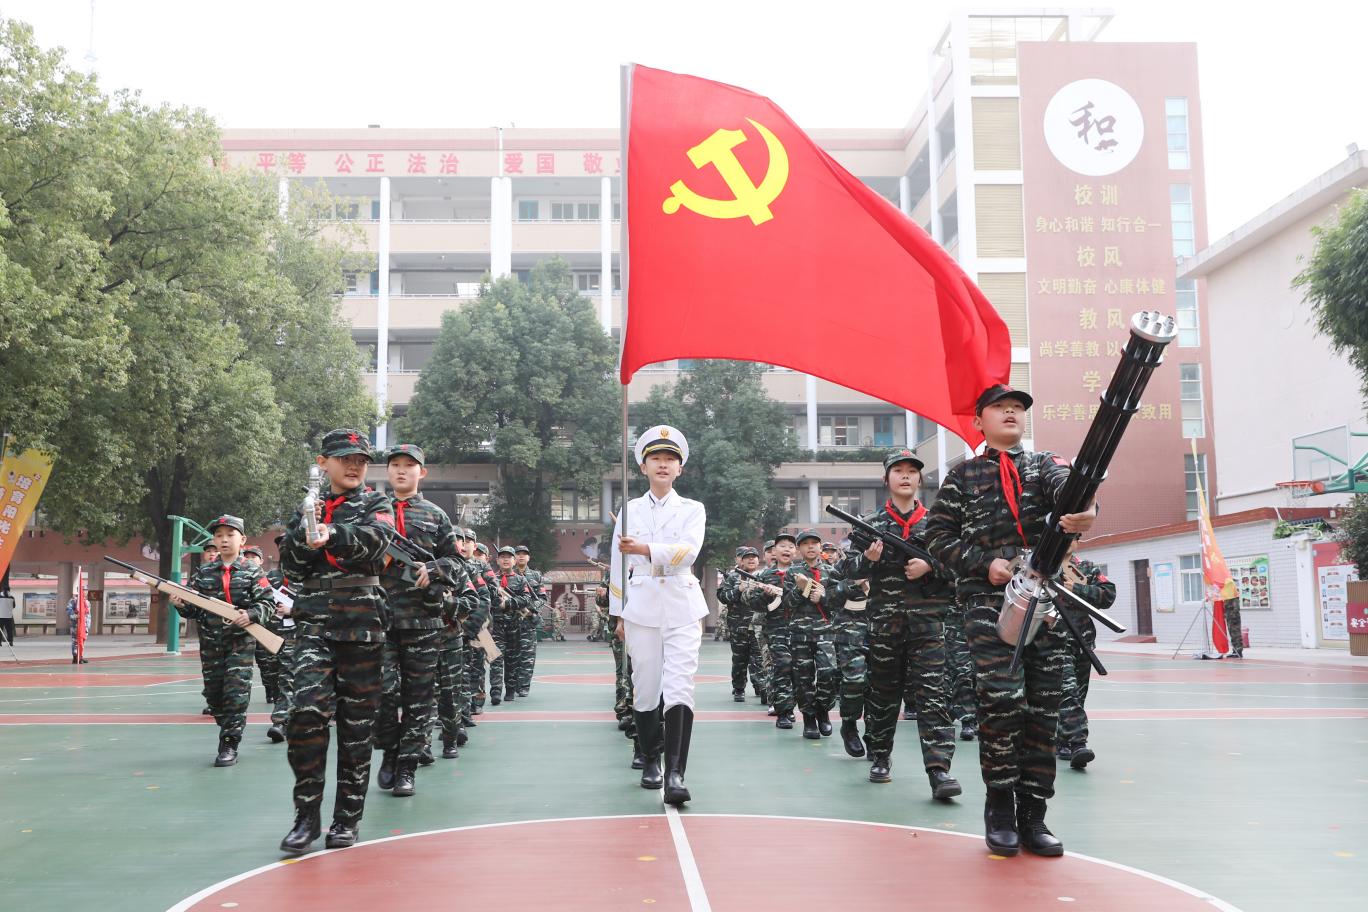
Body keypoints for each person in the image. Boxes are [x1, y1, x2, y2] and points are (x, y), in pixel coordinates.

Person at [924, 385, 1098, 857]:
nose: (1011, 413)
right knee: (1002, 701)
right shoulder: (962, 476)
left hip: (1046, 597)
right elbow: (936, 537)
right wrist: (985, 564)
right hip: (988, 600)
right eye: (1000, 407)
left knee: (1044, 707)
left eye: (1018, 408)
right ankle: (1000, 805)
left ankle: (1033, 814)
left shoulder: (1043, 465)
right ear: (978, 421)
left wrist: (1087, 510)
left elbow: (1072, 491)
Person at [278, 428, 395, 855]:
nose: (354, 466)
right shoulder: (307, 507)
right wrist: (304, 535)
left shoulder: (376, 504)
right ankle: (306, 815)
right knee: (305, 714)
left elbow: (377, 542)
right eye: (345, 459)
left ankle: (347, 818)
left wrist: (333, 533)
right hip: (314, 621)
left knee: (357, 725)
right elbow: (291, 566)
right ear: (322, 463)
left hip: (362, 623)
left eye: (360, 460)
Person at [836, 450, 961, 800]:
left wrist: (930, 566)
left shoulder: (938, 523)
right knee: (883, 694)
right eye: (898, 471)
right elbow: (844, 571)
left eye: (911, 471)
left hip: (928, 625)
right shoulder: (869, 523)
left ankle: (939, 769)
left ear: (920, 479)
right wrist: (868, 560)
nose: (905, 476)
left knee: (933, 696)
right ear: (886, 479)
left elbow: (962, 565)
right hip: (885, 625)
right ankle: (880, 756)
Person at [608, 425, 706, 806]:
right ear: (643, 467)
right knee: (646, 687)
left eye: (670, 460)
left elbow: (688, 552)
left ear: (680, 468)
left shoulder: (693, 509)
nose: (663, 465)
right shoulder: (629, 511)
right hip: (642, 605)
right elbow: (618, 566)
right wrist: (619, 614)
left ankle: (676, 773)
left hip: (682, 603)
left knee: (680, 686)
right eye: (656, 459)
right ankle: (651, 757)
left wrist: (645, 548)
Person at [375, 444, 461, 798]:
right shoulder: (372, 512)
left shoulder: (435, 515)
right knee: (382, 692)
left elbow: (457, 562)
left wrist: (435, 569)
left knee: (419, 698)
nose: (401, 471)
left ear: (421, 472)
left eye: (409, 466)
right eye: (395, 465)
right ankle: (390, 749)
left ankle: (407, 766)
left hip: (423, 620)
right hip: (378, 619)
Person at [165, 515, 274, 766]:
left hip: (240, 644)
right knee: (214, 697)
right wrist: (180, 604)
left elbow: (267, 603)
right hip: (210, 645)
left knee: (236, 694)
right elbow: (193, 610)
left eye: (230, 535)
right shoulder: (203, 573)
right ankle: (228, 726)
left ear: (242, 540)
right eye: (218, 535)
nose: (224, 540)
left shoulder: (253, 571)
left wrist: (251, 615)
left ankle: (229, 742)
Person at [1056, 552, 1115, 768]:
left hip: (1082, 641)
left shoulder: (1084, 567)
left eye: (1075, 537)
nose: (1072, 541)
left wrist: (1078, 589)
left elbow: (1108, 595)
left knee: (1078, 694)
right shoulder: (1042, 564)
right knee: (1068, 690)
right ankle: (1077, 743)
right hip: (1054, 640)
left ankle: (1063, 739)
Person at [787, 529, 843, 740]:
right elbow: (786, 604)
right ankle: (809, 719)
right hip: (800, 634)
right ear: (799, 549)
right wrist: (800, 589)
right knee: (803, 678)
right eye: (805, 543)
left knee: (829, 673)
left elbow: (838, 603)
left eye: (814, 542)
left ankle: (823, 710)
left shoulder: (831, 571)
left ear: (820, 547)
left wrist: (823, 596)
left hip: (825, 633)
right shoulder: (793, 572)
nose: (810, 546)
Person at [744, 532, 798, 729]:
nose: (786, 550)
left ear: (796, 551)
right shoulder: (765, 576)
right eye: (782, 546)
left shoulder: (803, 573)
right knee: (782, 666)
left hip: (802, 629)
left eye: (790, 546)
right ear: (774, 551)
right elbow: (751, 602)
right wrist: (766, 595)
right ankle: (783, 711)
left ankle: (793, 706)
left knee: (800, 670)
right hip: (776, 629)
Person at [263, 535, 296, 743]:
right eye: (282, 547)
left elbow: (322, 605)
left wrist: (294, 610)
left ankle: (280, 722)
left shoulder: (309, 575)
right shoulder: (269, 577)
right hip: (272, 634)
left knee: (288, 678)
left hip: (299, 635)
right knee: (273, 677)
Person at [487, 547, 531, 703]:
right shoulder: (491, 579)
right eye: (502, 557)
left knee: (513, 660)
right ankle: (496, 691)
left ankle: (510, 690)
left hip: (514, 626)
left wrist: (509, 603)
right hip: (496, 626)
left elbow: (526, 599)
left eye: (509, 557)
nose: (505, 560)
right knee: (495, 659)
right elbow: (485, 598)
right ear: (497, 561)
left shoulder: (520, 580)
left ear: (514, 561)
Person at [513, 545, 544, 697]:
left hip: (528, 621)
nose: (521, 556)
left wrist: (532, 608)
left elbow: (542, 598)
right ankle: (512, 685)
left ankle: (524, 686)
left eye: (524, 554)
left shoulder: (536, 576)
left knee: (528, 656)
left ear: (528, 557)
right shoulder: (507, 574)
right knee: (512, 656)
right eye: (518, 554)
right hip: (511, 621)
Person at [65, 592, 91, 664]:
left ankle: (80, 656)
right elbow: (68, 610)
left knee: (82, 641)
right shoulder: (74, 600)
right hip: (76, 625)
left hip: (84, 625)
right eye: (84, 590)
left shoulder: (87, 602)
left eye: (86, 590)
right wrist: (75, 615)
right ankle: (75, 657)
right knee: (76, 641)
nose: (85, 592)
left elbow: (88, 614)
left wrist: (88, 625)